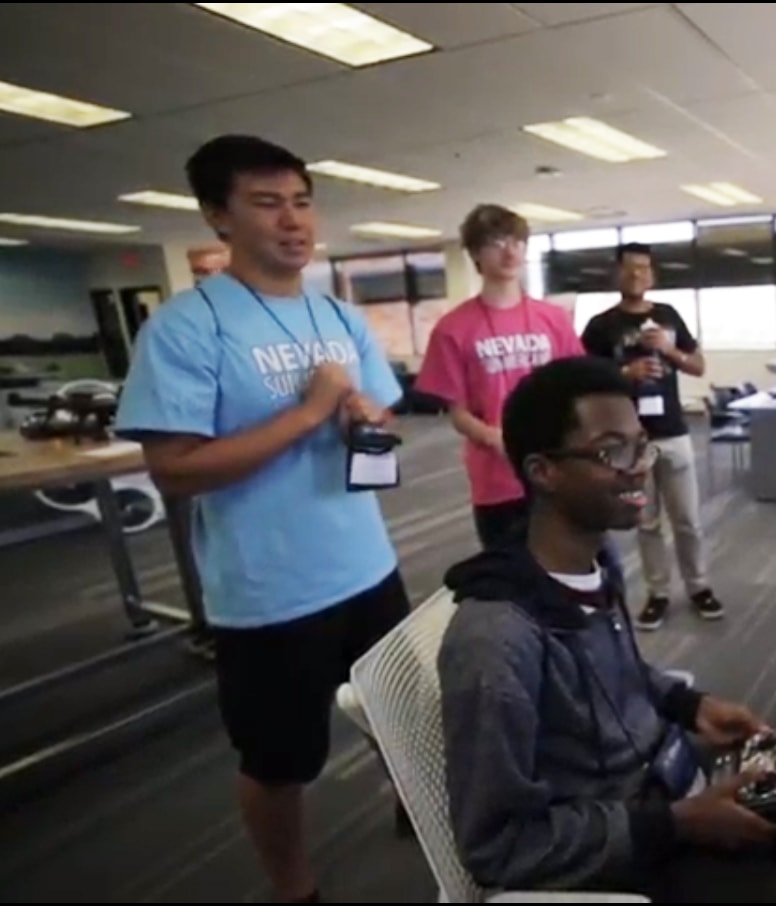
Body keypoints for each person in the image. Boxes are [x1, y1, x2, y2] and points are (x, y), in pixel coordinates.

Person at [437, 356, 776, 902]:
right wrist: (676, 825)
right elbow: (498, 847)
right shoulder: (496, 641)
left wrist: (690, 705)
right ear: (542, 471)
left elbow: (622, 672)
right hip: (621, 854)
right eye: (611, 451)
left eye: (640, 444)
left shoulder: (595, 566)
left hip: (664, 786)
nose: (639, 465)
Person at [114, 135, 411, 903]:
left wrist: (358, 417)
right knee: (280, 761)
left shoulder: (337, 315)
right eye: (267, 202)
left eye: (302, 201)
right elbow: (174, 470)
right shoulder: (185, 328)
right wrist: (309, 409)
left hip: (368, 565)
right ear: (219, 217)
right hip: (269, 592)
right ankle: (293, 888)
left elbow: (383, 413)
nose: (293, 220)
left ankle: (416, 804)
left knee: (401, 710)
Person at [416, 203, 583, 548]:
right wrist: (502, 440)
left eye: (516, 241)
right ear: (476, 253)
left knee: (578, 572)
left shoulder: (553, 318)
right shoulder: (453, 328)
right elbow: (458, 413)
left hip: (560, 469)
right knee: (513, 580)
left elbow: (575, 386)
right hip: (498, 479)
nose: (509, 251)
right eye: (496, 242)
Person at [580, 242, 724, 628]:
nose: (637, 275)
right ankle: (658, 593)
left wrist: (670, 351)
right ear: (616, 274)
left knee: (688, 520)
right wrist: (625, 375)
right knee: (646, 523)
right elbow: (584, 380)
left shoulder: (667, 316)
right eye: (629, 269)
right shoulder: (600, 325)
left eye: (644, 269)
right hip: (629, 440)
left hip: (673, 433)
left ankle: (699, 587)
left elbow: (697, 365)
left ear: (652, 274)